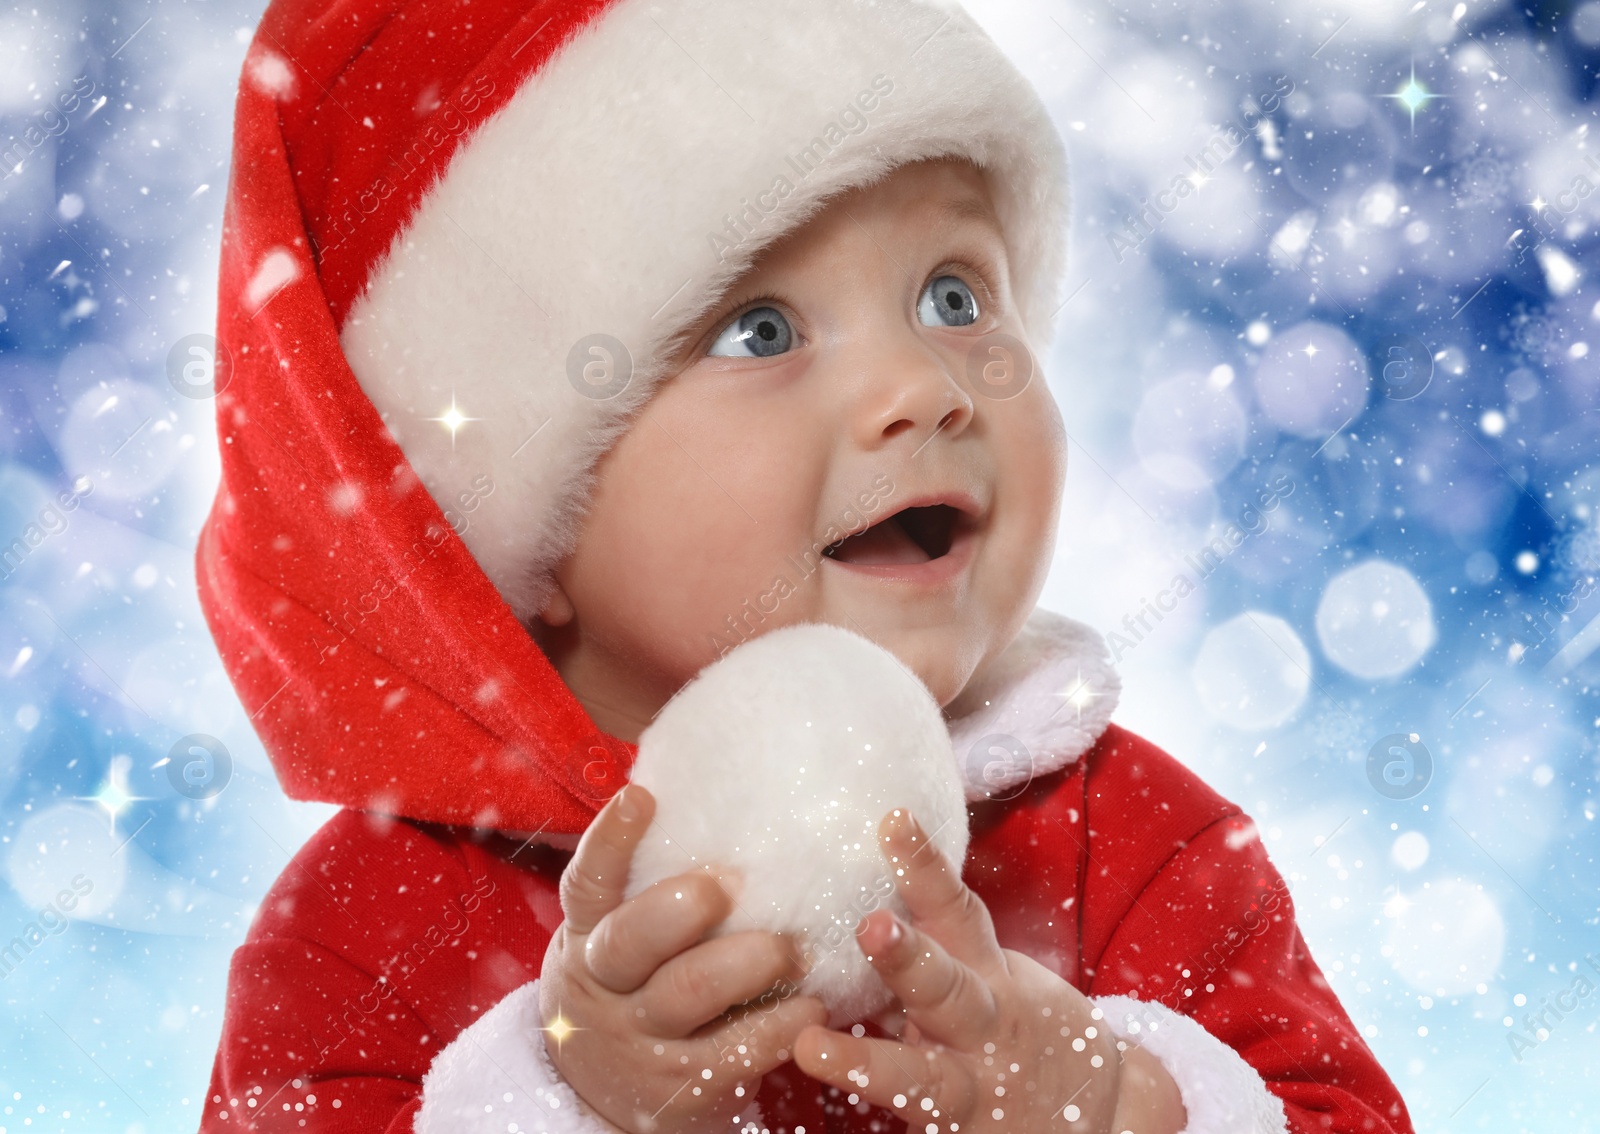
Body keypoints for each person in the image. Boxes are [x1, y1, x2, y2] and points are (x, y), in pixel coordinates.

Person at [194, 1, 1415, 1131]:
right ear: (525, 519)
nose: (924, 390)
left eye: (953, 296)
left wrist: (1120, 1105)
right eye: (759, 330)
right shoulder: (375, 927)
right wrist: (559, 1096)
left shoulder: (1133, 844)